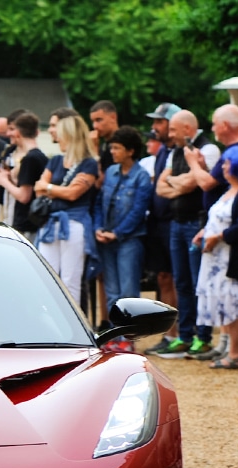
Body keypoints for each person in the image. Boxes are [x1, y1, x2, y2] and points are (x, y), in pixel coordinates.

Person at [155, 110, 220, 359]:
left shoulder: (209, 149)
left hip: (196, 222)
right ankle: (184, 335)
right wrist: (179, 183)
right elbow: (161, 187)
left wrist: (177, 182)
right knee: (181, 282)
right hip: (177, 223)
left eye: (173, 130)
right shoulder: (175, 151)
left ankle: (203, 337)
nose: (169, 134)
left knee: (197, 283)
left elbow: (194, 184)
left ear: (188, 129)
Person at [93, 126, 153, 351]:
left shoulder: (142, 176)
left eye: (117, 148)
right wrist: (99, 228)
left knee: (128, 292)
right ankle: (113, 336)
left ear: (130, 150)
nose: (113, 152)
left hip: (129, 240)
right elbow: (100, 203)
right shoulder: (110, 172)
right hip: (107, 240)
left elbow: (138, 211)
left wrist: (117, 233)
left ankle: (128, 340)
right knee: (112, 292)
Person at [195, 145, 238, 370]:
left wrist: (217, 237)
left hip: (230, 257)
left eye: (227, 163)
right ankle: (230, 349)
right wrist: (203, 232)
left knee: (233, 303)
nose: (223, 167)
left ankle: (237, 352)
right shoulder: (227, 190)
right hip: (215, 258)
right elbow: (215, 217)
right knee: (222, 300)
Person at [33, 115, 100, 305]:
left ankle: (73, 329)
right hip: (51, 223)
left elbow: (73, 194)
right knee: (46, 277)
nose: (57, 138)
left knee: (70, 280)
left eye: (61, 134)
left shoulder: (89, 163)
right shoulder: (55, 161)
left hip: (74, 223)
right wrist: (58, 190)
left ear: (70, 135)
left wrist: (50, 188)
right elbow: (38, 189)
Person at [142, 102, 183, 356]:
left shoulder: (181, 152)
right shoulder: (162, 152)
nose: (154, 127)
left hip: (176, 221)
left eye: (159, 122)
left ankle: (182, 333)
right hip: (158, 222)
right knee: (163, 277)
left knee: (179, 278)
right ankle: (170, 334)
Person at [0, 111, 48, 239]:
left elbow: (24, 196)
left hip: (25, 224)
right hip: (26, 222)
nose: (8, 133)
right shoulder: (39, 156)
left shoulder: (30, 158)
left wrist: (3, 180)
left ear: (18, 132)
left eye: (11, 129)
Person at [89, 100, 119, 172]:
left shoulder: (124, 143)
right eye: (93, 122)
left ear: (113, 117)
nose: (95, 126)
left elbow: (103, 180)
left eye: (99, 120)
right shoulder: (103, 146)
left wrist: (94, 149)